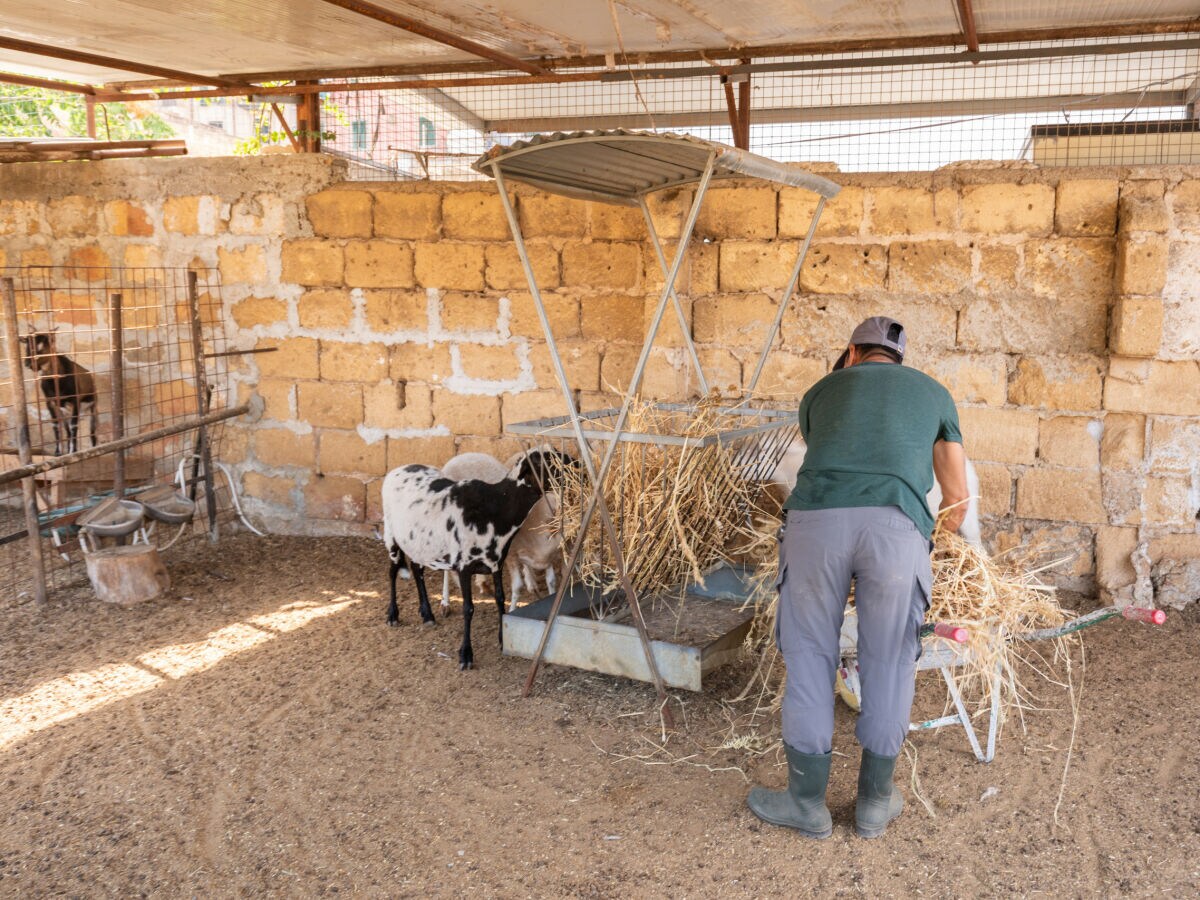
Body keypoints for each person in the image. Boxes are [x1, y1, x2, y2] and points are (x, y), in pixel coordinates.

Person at [747, 316, 969, 840]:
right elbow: (956, 499)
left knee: (809, 654)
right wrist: (927, 544)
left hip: (814, 526)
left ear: (852, 353)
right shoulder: (934, 395)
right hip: (896, 529)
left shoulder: (820, 391)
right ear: (899, 360)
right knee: (890, 659)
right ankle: (873, 803)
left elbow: (830, 448)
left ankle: (805, 803)